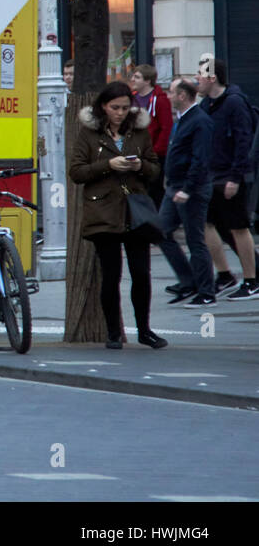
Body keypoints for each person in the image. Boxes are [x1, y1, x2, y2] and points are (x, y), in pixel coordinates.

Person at [69, 80, 167, 349]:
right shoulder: (89, 134)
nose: (121, 113)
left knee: (141, 273)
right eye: (115, 107)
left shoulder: (139, 132)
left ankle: (145, 330)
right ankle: (113, 331)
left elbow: (155, 169)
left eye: (125, 107)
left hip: (135, 210)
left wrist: (139, 166)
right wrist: (108, 165)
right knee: (111, 275)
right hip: (103, 210)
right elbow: (76, 172)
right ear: (104, 106)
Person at [196, 56, 259, 300]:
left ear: (212, 78)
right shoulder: (205, 106)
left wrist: (235, 177)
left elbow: (244, 142)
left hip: (231, 175)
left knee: (238, 227)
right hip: (210, 176)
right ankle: (224, 275)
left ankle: (251, 280)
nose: (196, 80)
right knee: (207, 223)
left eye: (200, 75)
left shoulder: (234, 103)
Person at [157, 78, 216, 306]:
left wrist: (188, 189)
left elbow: (200, 159)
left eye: (171, 92)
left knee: (195, 239)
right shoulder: (182, 119)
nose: (168, 96)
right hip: (175, 186)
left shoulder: (199, 121)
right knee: (161, 231)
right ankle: (188, 280)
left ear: (182, 96)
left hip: (191, 188)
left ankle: (206, 292)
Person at [129, 64, 173, 206]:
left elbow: (166, 128)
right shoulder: (132, 98)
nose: (132, 79)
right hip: (136, 152)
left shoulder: (160, 99)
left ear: (147, 81)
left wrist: (156, 151)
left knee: (155, 189)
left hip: (154, 154)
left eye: (137, 77)